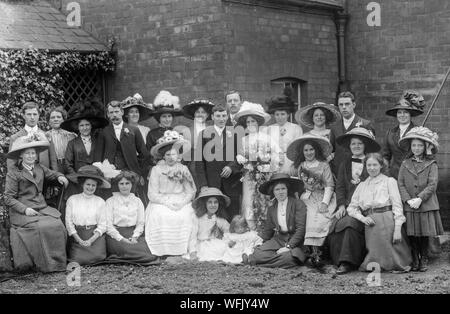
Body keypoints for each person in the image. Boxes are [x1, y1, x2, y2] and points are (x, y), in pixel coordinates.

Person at [4, 135, 69, 273]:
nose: (30, 156)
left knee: (57, 225)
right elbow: (8, 198)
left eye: (33, 153)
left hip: (42, 208)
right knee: (40, 228)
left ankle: (58, 263)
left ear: (36, 155)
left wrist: (60, 176)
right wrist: (25, 209)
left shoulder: (39, 168)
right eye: (27, 153)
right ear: (21, 155)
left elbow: (52, 174)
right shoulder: (14, 173)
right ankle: (46, 265)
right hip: (22, 212)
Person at [347, 153, 412, 272]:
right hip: (370, 223)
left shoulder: (389, 181)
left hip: (387, 220)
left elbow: (397, 205)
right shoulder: (362, 185)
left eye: (375, 165)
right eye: (369, 165)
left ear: (381, 165)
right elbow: (351, 208)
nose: (372, 168)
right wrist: (362, 218)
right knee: (374, 256)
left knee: (394, 257)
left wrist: (397, 229)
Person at [328, 127, 381, 274]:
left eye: (359, 143)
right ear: (349, 146)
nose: (356, 146)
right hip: (348, 206)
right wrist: (341, 206)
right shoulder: (344, 164)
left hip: (367, 207)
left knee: (351, 224)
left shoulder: (372, 163)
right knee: (339, 224)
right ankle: (340, 259)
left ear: (365, 146)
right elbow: (340, 188)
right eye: (353, 144)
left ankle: (349, 262)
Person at [145, 130, 197, 257]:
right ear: (163, 156)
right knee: (160, 215)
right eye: (167, 154)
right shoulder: (156, 170)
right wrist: (167, 203)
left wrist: (182, 203)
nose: (171, 157)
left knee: (187, 214)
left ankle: (188, 248)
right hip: (161, 200)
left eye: (173, 154)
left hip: (181, 199)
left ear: (178, 155)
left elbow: (190, 191)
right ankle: (161, 250)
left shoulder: (183, 169)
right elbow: (152, 194)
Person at [398, 126, 443, 272]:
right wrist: (407, 199)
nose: (416, 148)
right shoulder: (405, 164)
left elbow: (432, 184)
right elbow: (401, 183)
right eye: (414, 145)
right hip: (410, 204)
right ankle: (414, 259)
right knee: (412, 233)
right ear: (410, 147)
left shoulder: (432, 164)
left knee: (424, 233)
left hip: (425, 204)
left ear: (425, 147)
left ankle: (424, 258)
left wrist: (420, 199)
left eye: (420, 145)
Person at [287, 134, 335, 267]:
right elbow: (295, 185)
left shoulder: (324, 165)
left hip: (322, 196)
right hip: (306, 197)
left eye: (311, 149)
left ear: (316, 150)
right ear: (302, 152)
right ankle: (310, 253)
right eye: (306, 150)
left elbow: (329, 185)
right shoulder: (299, 166)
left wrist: (325, 203)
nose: (309, 152)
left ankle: (319, 253)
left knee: (319, 218)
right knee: (305, 217)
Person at [234, 101, 281, 230]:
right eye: (248, 122)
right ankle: (251, 227)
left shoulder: (267, 138)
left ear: (258, 123)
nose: (250, 125)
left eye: (253, 121)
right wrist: (244, 161)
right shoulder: (243, 140)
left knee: (263, 200)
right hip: (249, 176)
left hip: (263, 175)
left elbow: (277, 155)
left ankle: (266, 228)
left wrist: (268, 168)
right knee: (249, 201)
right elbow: (240, 157)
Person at [246, 173, 307, 268]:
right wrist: (258, 241)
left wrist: (288, 247)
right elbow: (268, 231)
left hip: (295, 241)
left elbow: (301, 229)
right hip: (279, 239)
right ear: (273, 192)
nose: (280, 192)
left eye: (283, 188)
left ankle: (261, 262)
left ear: (288, 190)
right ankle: (269, 260)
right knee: (257, 253)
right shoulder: (272, 208)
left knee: (289, 257)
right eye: (277, 189)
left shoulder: (298, 204)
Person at [95, 100, 149, 203]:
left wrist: (139, 172)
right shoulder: (103, 132)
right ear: (107, 115)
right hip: (110, 174)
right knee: (113, 201)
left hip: (131, 173)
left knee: (131, 201)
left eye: (116, 111)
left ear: (122, 112)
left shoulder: (134, 130)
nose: (114, 115)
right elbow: (98, 156)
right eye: (111, 113)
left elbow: (144, 153)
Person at [194, 104, 242, 221]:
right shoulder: (204, 134)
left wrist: (231, 167)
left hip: (231, 180)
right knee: (214, 211)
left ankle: (232, 234)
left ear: (227, 117)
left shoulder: (235, 133)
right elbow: (199, 161)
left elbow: (241, 155)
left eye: (224, 116)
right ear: (212, 117)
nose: (221, 119)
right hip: (212, 181)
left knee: (233, 211)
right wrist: (203, 184)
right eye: (218, 116)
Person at [105, 171, 159, 265]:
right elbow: (108, 225)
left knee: (148, 252)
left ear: (132, 185)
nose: (124, 186)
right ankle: (122, 254)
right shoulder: (110, 201)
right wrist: (121, 238)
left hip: (132, 233)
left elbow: (140, 223)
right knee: (128, 249)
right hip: (116, 235)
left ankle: (132, 254)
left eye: (127, 183)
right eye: (121, 184)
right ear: (117, 185)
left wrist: (135, 237)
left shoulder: (137, 201)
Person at [65, 165, 110, 266]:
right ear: (82, 184)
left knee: (99, 257)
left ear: (96, 186)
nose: (90, 187)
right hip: (78, 235)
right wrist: (79, 240)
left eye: (93, 185)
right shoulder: (72, 199)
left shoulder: (100, 202)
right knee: (77, 260)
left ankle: (96, 251)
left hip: (95, 236)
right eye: (88, 184)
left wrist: (91, 240)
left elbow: (103, 225)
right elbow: (69, 223)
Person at [382, 91, 425, 178]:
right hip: (394, 175)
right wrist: (387, 173)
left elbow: (425, 155)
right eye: (399, 112)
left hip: (413, 175)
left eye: (405, 112)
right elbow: (385, 156)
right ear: (396, 115)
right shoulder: (390, 133)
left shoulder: (418, 131)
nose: (402, 115)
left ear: (410, 114)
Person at [330, 91, 374, 175]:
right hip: (339, 171)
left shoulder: (365, 124)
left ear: (353, 105)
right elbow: (332, 150)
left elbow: (371, 151)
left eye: (347, 104)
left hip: (360, 171)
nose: (344, 107)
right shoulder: (334, 127)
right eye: (341, 105)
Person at [62, 99, 109, 175]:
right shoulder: (72, 143)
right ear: (77, 127)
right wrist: (76, 177)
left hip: (96, 179)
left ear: (91, 126)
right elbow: (68, 164)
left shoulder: (98, 141)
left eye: (87, 125)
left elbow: (104, 160)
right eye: (82, 125)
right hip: (79, 179)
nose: (85, 128)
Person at [7, 101, 57, 172]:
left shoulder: (46, 136)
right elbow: (11, 166)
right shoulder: (15, 137)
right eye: (29, 114)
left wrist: (54, 179)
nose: (32, 117)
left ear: (39, 115)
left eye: (35, 114)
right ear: (23, 116)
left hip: (45, 179)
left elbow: (53, 161)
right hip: (23, 179)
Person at [265, 90, 303, 174]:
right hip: (273, 162)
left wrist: (295, 164)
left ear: (288, 114)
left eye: (282, 114)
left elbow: (299, 148)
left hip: (290, 161)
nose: (280, 117)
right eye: (277, 114)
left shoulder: (296, 128)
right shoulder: (269, 129)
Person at [191, 187, 230, 262]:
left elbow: (229, 232)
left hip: (216, 244)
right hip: (202, 245)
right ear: (204, 204)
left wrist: (227, 240)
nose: (213, 205)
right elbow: (193, 237)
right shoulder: (197, 218)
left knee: (226, 249)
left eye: (216, 202)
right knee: (207, 253)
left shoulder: (220, 219)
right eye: (210, 202)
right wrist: (192, 252)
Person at [180, 98, 215, 179]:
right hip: (193, 164)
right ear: (194, 114)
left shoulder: (213, 130)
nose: (200, 114)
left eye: (203, 112)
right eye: (197, 112)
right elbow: (185, 155)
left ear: (207, 115)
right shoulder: (186, 131)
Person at [146, 90, 183, 155]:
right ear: (158, 118)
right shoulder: (152, 134)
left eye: (169, 116)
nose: (167, 119)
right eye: (164, 116)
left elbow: (181, 152)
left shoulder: (177, 132)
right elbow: (149, 154)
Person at [46, 106, 77, 173]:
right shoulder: (45, 136)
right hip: (53, 167)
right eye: (52, 117)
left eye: (58, 117)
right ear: (49, 121)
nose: (56, 119)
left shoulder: (71, 135)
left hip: (69, 166)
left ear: (63, 119)